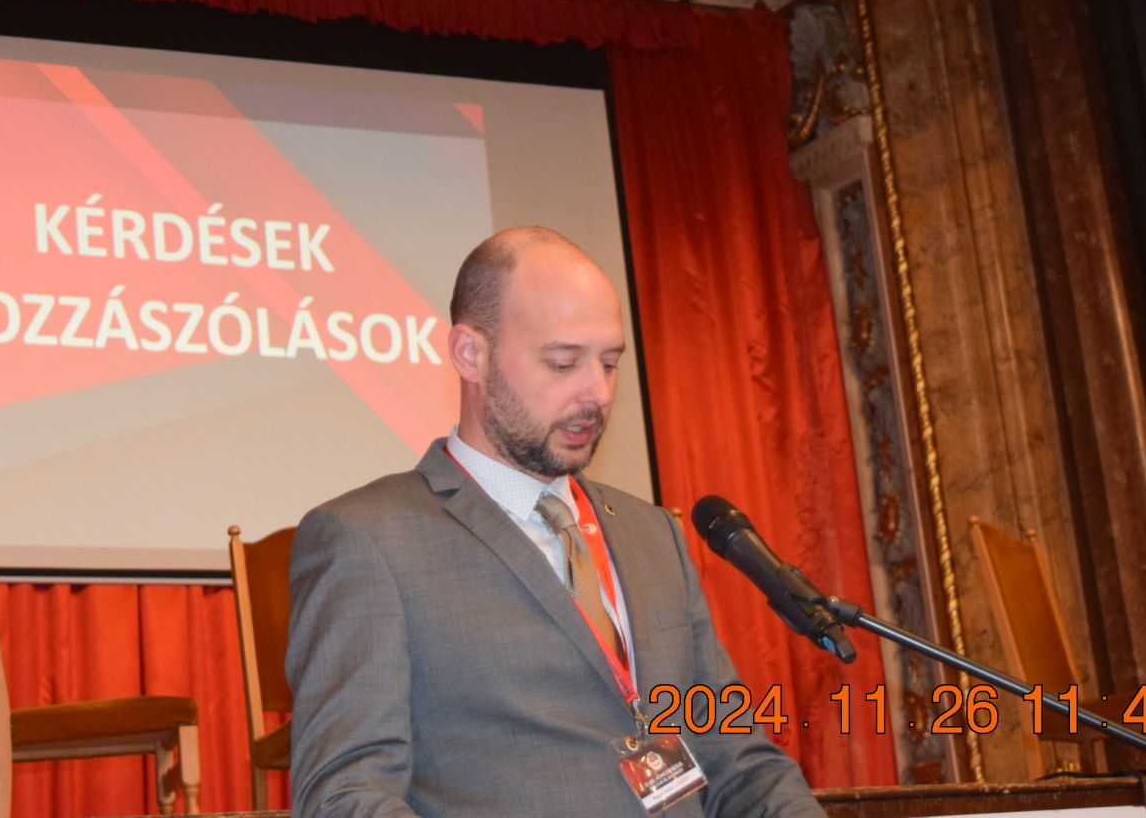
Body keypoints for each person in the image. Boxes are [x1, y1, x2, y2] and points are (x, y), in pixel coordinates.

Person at [285, 227, 828, 818]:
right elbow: (345, 797)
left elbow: (740, 763)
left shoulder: (653, 535)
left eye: (610, 363)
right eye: (563, 362)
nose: (597, 393)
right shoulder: (370, 541)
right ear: (470, 354)